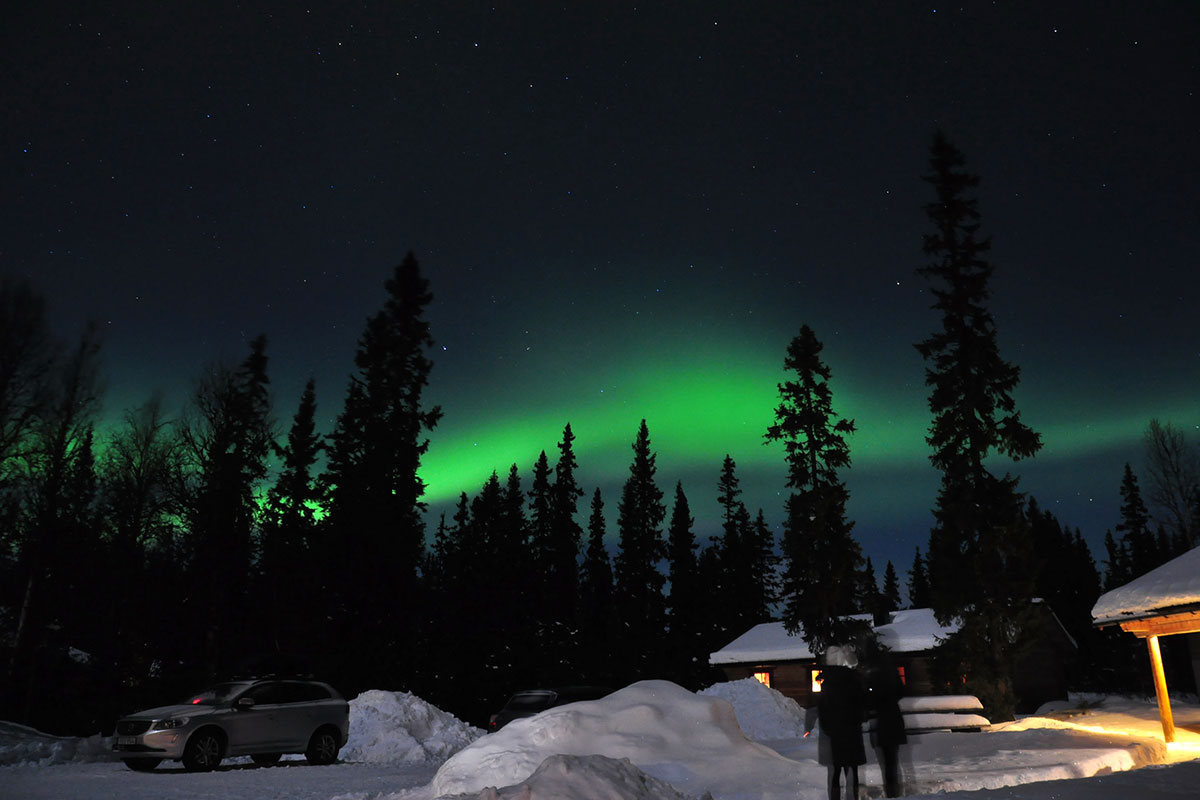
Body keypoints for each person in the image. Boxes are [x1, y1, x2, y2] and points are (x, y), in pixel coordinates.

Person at [815, 645, 866, 800]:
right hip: (852, 729)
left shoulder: (827, 683)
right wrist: (858, 720)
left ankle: (836, 798)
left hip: (836, 732)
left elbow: (823, 710)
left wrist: (828, 728)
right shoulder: (853, 680)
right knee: (853, 770)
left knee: (836, 770)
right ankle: (853, 797)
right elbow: (862, 703)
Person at [867, 656, 907, 797]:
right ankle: (893, 791)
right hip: (894, 719)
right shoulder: (892, 672)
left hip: (884, 721)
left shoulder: (873, 675)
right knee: (892, 760)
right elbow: (901, 692)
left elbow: (870, 699)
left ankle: (891, 791)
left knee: (887, 761)